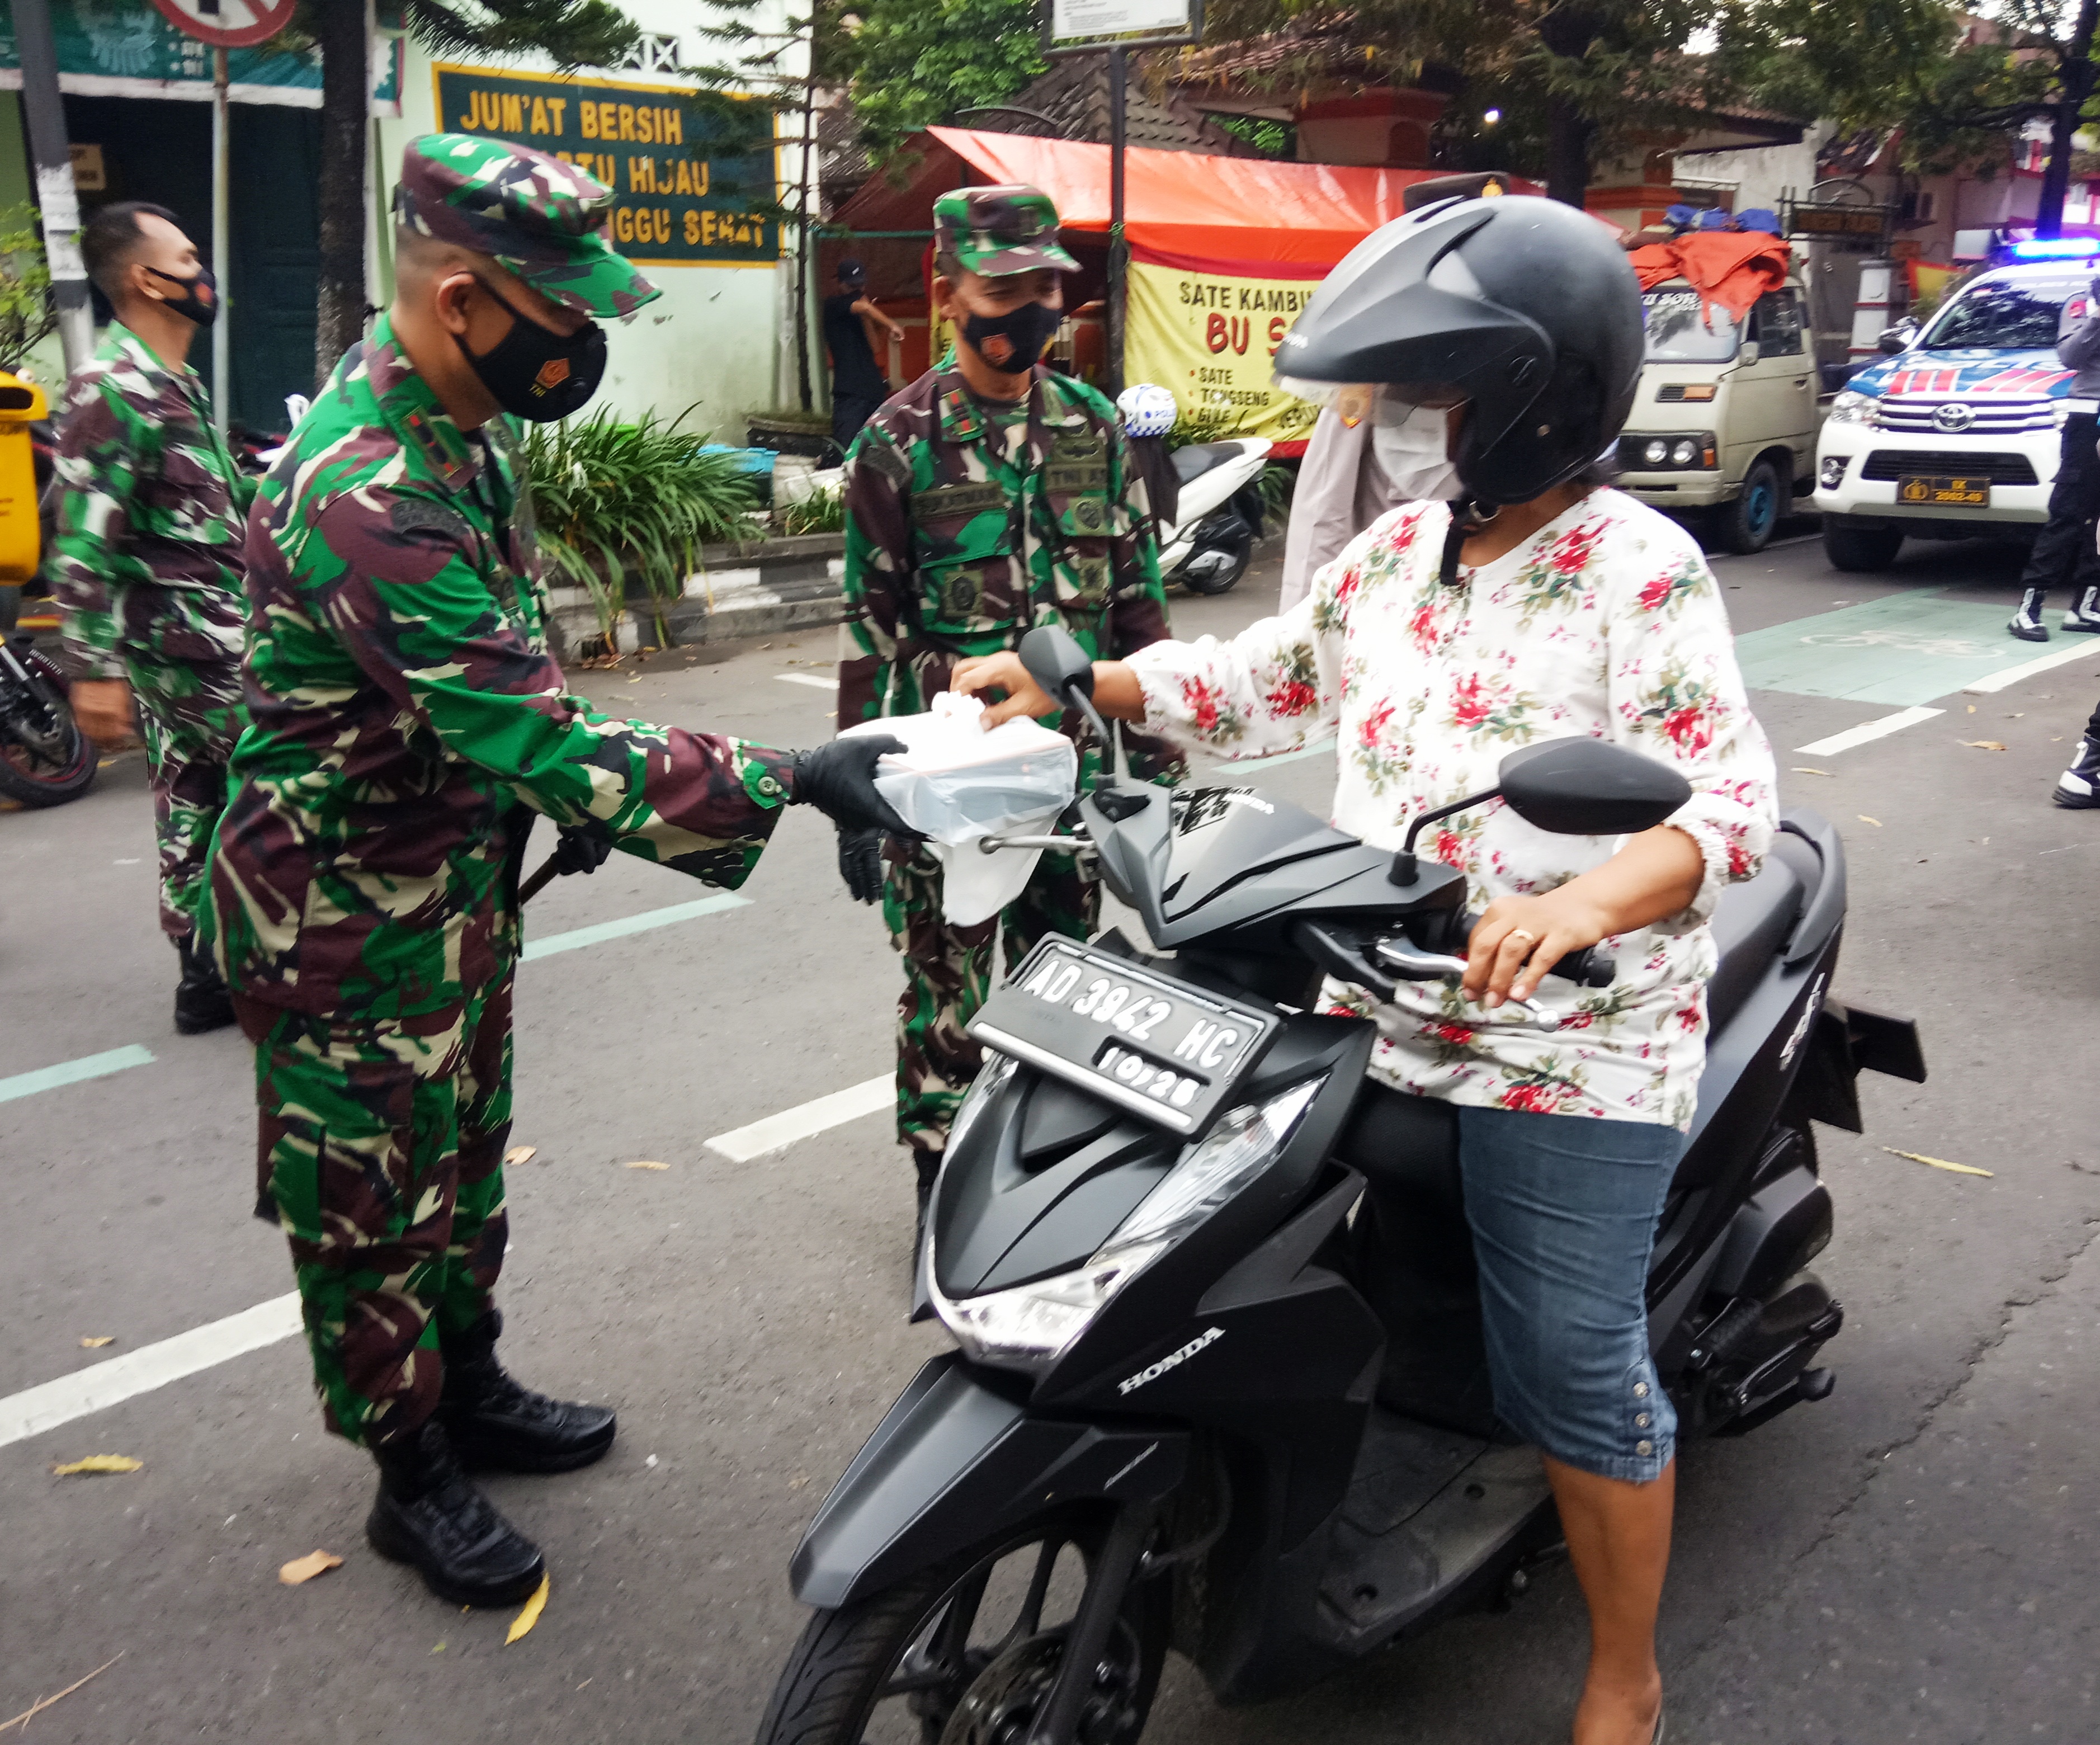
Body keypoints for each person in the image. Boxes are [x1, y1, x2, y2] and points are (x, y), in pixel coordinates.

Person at [955, 194, 1776, 1745]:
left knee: (1571, 1369)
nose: (1420, 425)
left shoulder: (1640, 569)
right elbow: (1266, 681)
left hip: (1563, 1044)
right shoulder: (1399, 550)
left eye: (1447, 395)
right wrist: (1090, 684)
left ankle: (1624, 1677)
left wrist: (1584, 904)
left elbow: (1723, 806)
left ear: (1540, 393)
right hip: (1374, 1000)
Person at [200, 135, 907, 1610]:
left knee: (459, 1169)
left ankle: (471, 1387)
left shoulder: (458, 431)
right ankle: (408, 1473)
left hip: (442, 883)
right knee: (372, 1207)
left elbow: (504, 692)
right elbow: (528, 727)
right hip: (339, 922)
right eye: (565, 312)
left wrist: (547, 794)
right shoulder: (364, 488)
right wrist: (791, 773)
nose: (585, 342)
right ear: (461, 299)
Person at [836, 183, 1183, 1234]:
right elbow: (872, 634)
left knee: (1061, 986)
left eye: (1047, 287)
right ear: (949, 294)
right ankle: (945, 1206)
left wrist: (1164, 775)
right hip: (948, 787)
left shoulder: (1092, 429)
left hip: (1068, 783)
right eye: (1007, 286)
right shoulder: (896, 445)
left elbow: (1139, 605)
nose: (1032, 307)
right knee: (945, 1004)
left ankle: (1037, 1195)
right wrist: (859, 795)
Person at [46, 200, 251, 1034]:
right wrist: (91, 672)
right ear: (145, 278)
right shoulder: (114, 388)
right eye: (190, 257)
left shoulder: (176, 382)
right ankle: (283, 961)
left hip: (209, 633)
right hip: (191, 643)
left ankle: (205, 976)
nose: (204, 274)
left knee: (197, 794)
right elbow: (82, 539)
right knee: (293, 776)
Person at [1278, 173, 1514, 611]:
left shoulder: (1511, 352)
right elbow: (1324, 506)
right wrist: (1309, 627)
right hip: (1394, 600)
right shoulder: (1377, 360)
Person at [2009, 273, 2100, 641]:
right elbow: (2069, 356)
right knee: (2069, 512)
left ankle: (2085, 605)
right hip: (2089, 416)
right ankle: (2028, 608)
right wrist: (2097, 318)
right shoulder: (2084, 303)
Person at [823, 257, 903, 459]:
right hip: (850, 391)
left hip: (872, 390)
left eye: (859, 286)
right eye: (851, 286)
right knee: (845, 448)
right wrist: (892, 325)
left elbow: (875, 347)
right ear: (839, 284)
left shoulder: (862, 312)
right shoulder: (834, 305)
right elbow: (865, 308)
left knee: (873, 450)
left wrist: (868, 318)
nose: (856, 291)